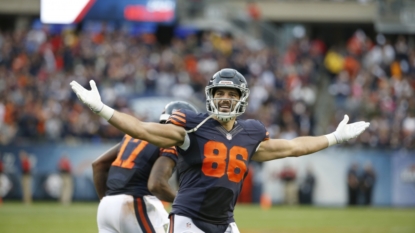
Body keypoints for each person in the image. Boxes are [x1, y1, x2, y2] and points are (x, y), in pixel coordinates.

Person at [71, 68, 370, 233]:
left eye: (231, 94)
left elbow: (292, 147)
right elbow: (143, 129)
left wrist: (333, 137)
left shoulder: (250, 133)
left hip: (225, 222)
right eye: (220, 93)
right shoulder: (192, 126)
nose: (225, 99)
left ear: (242, 98)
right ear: (211, 96)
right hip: (189, 220)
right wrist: (102, 109)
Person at [92, 101, 198, 233]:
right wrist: (187, 202)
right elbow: (156, 184)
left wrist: (109, 201)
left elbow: (98, 165)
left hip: (106, 208)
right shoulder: (170, 143)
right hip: (134, 204)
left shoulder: (134, 135)